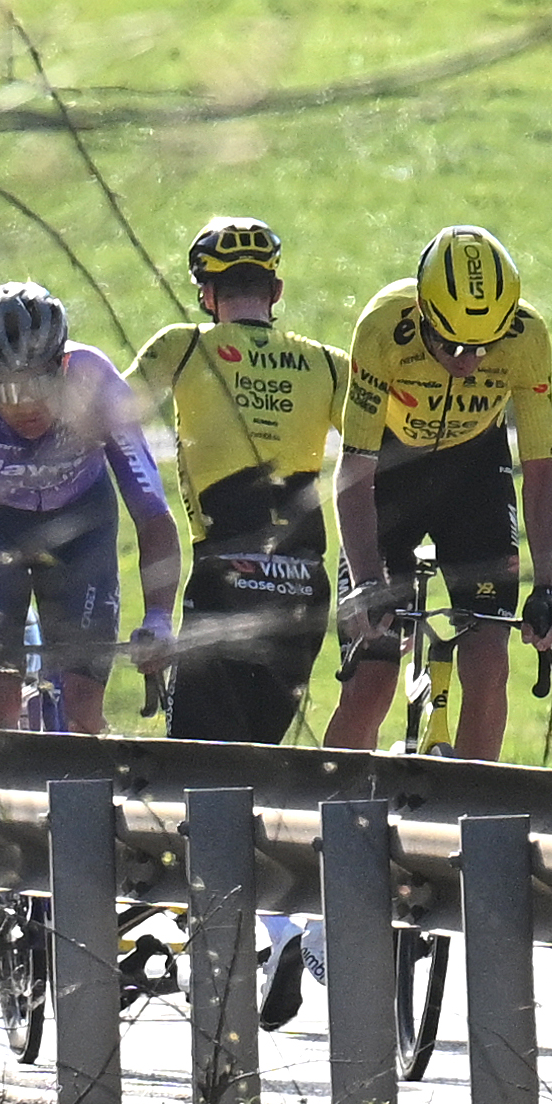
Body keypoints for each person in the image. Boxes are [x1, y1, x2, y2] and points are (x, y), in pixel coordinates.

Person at [325, 224, 552, 761]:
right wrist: (367, 581)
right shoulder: (384, 326)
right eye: (452, 344)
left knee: (488, 666)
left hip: (472, 475)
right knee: (372, 676)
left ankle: (476, 813)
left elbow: (543, 473)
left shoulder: (527, 337)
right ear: (423, 313)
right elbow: (354, 469)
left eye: (484, 347)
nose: (468, 361)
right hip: (389, 474)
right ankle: (330, 811)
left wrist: (547, 588)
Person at [131, 215, 353, 745]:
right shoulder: (326, 363)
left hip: (226, 576)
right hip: (304, 586)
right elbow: (393, 445)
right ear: (275, 290)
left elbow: (100, 417)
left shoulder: (182, 346)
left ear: (207, 293)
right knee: (260, 760)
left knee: (202, 763)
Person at [0, 280, 178, 736]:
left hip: (82, 521)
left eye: (40, 385)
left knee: (82, 711)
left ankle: (85, 798)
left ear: (63, 366)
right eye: (8, 392)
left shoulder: (96, 383)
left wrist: (159, 617)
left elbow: (153, 512)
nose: (26, 407)